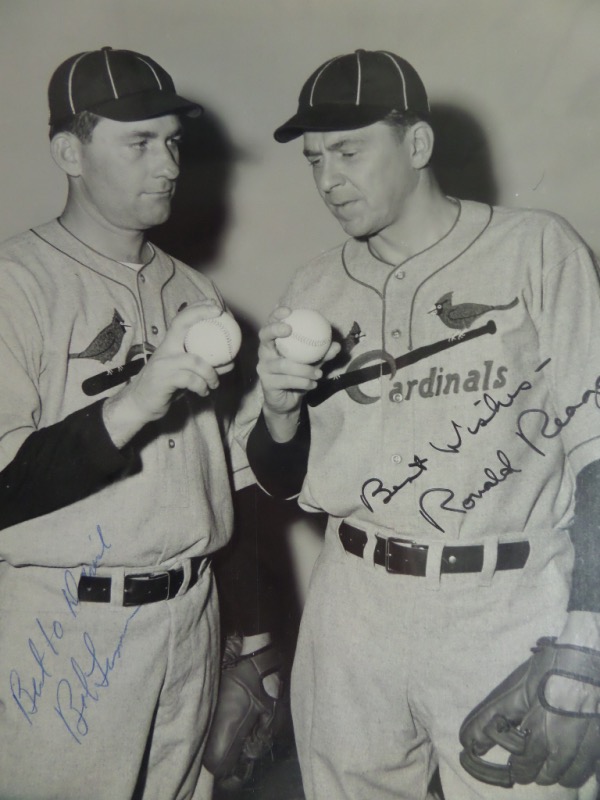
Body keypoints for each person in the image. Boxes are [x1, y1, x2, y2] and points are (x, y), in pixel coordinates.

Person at [243, 49, 600, 799]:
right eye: (314, 160)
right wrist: (278, 411)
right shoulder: (315, 283)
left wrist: (587, 639)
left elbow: (597, 455)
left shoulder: (537, 249)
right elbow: (279, 480)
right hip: (353, 608)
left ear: (417, 145)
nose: (328, 180)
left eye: (348, 150)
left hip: (505, 604)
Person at [0, 46, 238, 800]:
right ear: (68, 151)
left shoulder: (192, 287)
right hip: (67, 627)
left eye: (171, 141)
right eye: (137, 142)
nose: (167, 163)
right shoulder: (17, 284)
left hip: (192, 619)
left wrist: (247, 637)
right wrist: (135, 400)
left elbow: (220, 474)